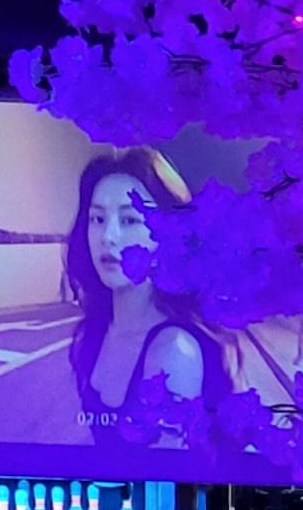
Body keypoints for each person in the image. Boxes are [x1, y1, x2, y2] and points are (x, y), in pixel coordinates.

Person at [65, 145, 210, 439]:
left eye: (129, 220)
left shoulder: (174, 353)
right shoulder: (94, 331)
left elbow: (168, 468)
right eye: (97, 219)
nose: (108, 237)